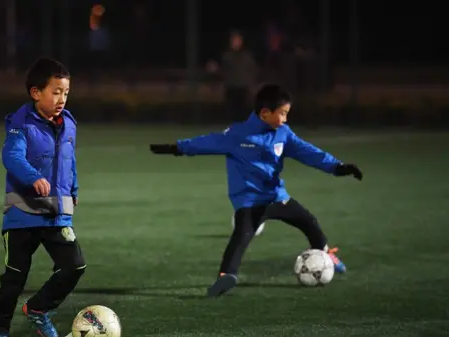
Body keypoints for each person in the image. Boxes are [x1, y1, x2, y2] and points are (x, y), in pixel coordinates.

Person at [149, 84, 363, 297]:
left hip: (276, 197)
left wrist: (337, 167)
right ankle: (227, 276)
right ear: (264, 113)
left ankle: (326, 254)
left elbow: (309, 153)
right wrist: (175, 148)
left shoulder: (283, 134)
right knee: (241, 236)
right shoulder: (237, 135)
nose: (285, 119)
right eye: (282, 114)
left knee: (309, 222)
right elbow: (205, 142)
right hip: (249, 201)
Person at [0, 57, 85, 337]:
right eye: (55, 91)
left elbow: (69, 160)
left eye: (65, 92)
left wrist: (74, 188)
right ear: (35, 92)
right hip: (23, 214)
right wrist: (32, 178)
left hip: (56, 212)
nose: (61, 98)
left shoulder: (69, 124)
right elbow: (11, 156)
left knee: (74, 266)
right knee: (15, 276)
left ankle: (39, 308)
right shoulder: (21, 123)